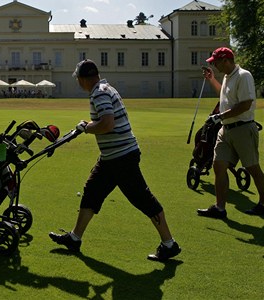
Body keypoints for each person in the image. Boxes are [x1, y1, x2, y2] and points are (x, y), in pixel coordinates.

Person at [49, 59, 181, 261]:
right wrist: (89, 124)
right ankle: (75, 238)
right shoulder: (106, 88)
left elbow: (107, 124)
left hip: (121, 157)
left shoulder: (98, 93)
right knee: (92, 191)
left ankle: (169, 244)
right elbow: (104, 120)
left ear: (84, 79)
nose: (78, 83)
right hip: (112, 157)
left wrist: (87, 128)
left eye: (78, 79)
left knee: (142, 198)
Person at [197, 47, 264, 218]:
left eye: (216, 62)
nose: (215, 65)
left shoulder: (243, 76)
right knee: (218, 165)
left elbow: (245, 105)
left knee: (252, 168)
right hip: (226, 129)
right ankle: (220, 208)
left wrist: (218, 116)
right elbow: (225, 97)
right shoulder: (228, 77)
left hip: (242, 128)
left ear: (225, 60)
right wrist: (212, 80)